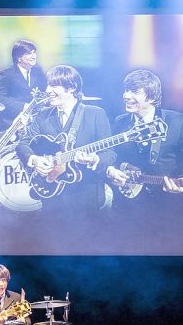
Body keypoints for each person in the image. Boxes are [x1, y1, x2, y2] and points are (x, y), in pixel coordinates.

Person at [105, 69, 183, 247]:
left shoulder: (179, 121)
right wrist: (114, 171)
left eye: (134, 91)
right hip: (128, 207)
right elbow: (113, 156)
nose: (126, 95)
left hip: (169, 207)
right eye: (126, 90)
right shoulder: (120, 122)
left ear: (151, 97)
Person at [15, 65, 115, 214]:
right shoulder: (43, 115)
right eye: (48, 85)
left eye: (54, 85)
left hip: (85, 202)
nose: (48, 90)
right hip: (51, 201)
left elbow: (110, 155)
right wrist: (35, 160)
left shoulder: (95, 114)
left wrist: (94, 159)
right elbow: (22, 144)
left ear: (72, 88)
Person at [0, 39, 47, 130]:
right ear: (18, 58)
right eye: (28, 54)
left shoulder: (38, 73)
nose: (33, 56)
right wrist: (23, 106)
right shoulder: (6, 75)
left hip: (34, 123)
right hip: (11, 123)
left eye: (34, 52)